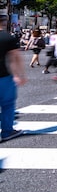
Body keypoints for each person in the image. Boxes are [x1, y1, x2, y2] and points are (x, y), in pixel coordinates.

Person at [0, 10, 27, 142]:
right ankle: (7, 131)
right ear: (4, 23)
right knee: (7, 104)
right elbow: (15, 57)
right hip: (4, 76)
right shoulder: (8, 38)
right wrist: (20, 74)